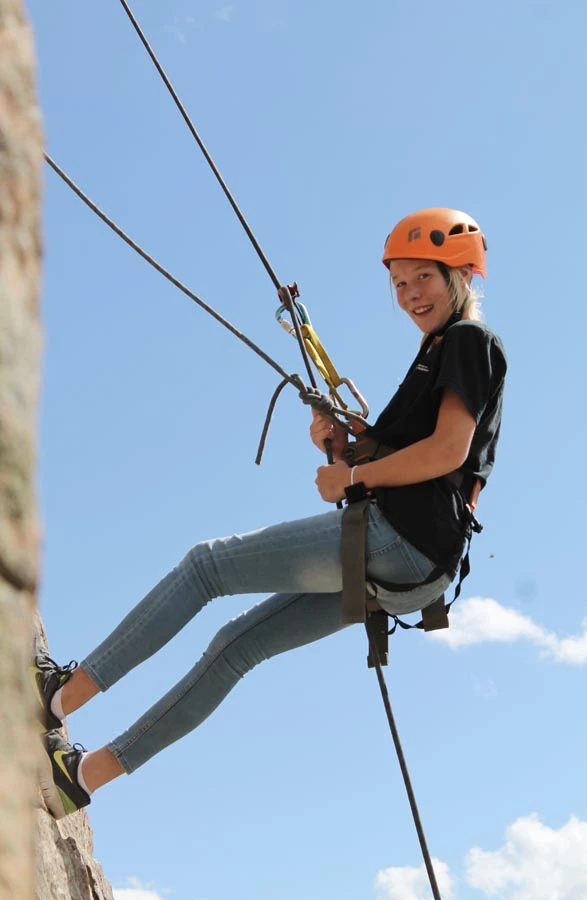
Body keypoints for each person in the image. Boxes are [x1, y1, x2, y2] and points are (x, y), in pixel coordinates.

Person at [34, 207, 506, 819]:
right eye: (399, 282)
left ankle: (57, 698)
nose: (410, 293)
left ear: (460, 276)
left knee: (206, 568)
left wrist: (354, 474)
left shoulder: (469, 341)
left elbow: (449, 450)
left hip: (401, 540)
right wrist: (344, 445)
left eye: (424, 277)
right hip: (419, 568)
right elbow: (422, 457)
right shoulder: (440, 354)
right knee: (236, 647)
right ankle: (82, 778)